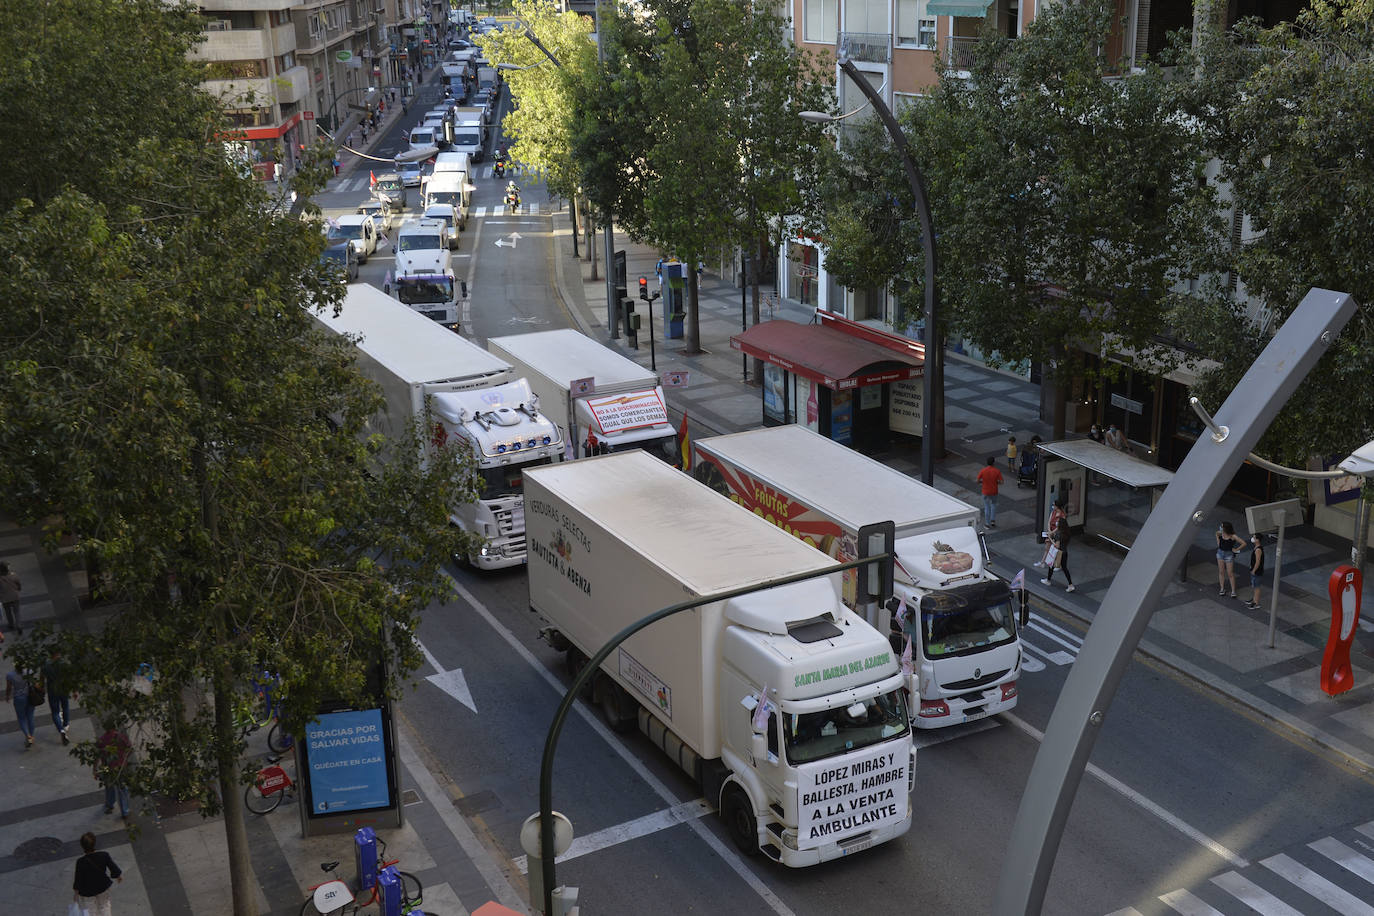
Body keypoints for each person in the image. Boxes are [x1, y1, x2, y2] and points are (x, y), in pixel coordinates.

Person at [73, 831, 122, 916]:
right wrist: (118, 876)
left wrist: (76, 893)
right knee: (104, 906)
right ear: (94, 843)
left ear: (82, 846)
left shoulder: (80, 862)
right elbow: (113, 867)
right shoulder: (104, 855)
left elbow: (78, 878)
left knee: (90, 910)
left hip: (87, 891)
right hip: (102, 886)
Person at [95, 723, 133, 819]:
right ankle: (125, 811)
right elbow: (130, 748)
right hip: (120, 767)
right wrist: (124, 758)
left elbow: (97, 756)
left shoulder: (102, 739)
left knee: (109, 787)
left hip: (108, 768)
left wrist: (94, 769)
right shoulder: (120, 737)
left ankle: (110, 804)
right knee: (122, 789)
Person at [5, 663, 40, 747]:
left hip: (18, 698)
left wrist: (7, 696)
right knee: (30, 717)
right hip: (30, 696)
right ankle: (31, 736)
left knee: (21, 718)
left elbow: (9, 688)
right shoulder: (29, 671)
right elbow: (35, 683)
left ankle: (27, 735)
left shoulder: (10, 675)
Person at [44, 646, 73, 745]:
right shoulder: (64, 664)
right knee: (65, 706)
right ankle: (65, 724)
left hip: (52, 690)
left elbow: (41, 679)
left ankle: (61, 730)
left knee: (55, 711)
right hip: (63, 688)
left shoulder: (46, 665)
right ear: (57, 653)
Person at [1040, 521, 1076, 592]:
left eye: (1058, 523)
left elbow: (1057, 545)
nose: (1056, 523)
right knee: (1064, 568)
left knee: (1051, 565)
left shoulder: (1059, 534)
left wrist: (1050, 539)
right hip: (1065, 552)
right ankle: (1070, 585)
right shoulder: (1067, 533)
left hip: (1058, 552)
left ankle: (1048, 580)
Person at [1034, 498, 1068, 568]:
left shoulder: (1062, 515)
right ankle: (1043, 562)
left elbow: (1060, 526)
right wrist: (1049, 531)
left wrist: (1052, 532)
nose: (1053, 506)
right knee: (1047, 547)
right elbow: (1049, 521)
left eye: (1053, 505)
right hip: (1051, 533)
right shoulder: (1053, 512)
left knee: (1057, 549)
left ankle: (1058, 565)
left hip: (1058, 534)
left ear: (1057, 506)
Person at [1215, 521, 1244, 598]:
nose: (1220, 528)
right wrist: (1219, 541)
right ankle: (1222, 589)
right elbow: (1219, 543)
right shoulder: (1219, 533)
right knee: (1221, 572)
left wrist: (1236, 549)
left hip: (1229, 555)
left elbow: (1243, 543)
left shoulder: (1233, 536)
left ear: (1226, 528)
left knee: (1230, 573)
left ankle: (1233, 591)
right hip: (1220, 553)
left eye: (1222, 526)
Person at [976, 456, 1004, 529]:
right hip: (994, 491)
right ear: (993, 463)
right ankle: (993, 521)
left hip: (985, 491)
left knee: (987, 507)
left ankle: (987, 524)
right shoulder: (997, 471)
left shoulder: (983, 470)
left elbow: (978, 481)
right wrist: (995, 482)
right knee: (993, 505)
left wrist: (982, 482)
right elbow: (1001, 482)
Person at [1245, 533, 1265, 609]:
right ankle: (1254, 599)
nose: (1252, 538)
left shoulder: (1258, 550)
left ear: (1257, 540)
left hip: (1257, 571)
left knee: (1256, 587)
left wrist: (1254, 570)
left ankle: (1256, 603)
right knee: (1254, 586)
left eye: (1254, 537)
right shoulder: (1256, 547)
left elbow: (1258, 562)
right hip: (1255, 570)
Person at [0, 561, 21, 633]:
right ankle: (19, 625)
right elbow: (18, 584)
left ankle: (11, 624)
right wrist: (18, 589)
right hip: (15, 596)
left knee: (8, 612)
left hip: (5, 598)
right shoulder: (14, 575)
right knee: (17, 612)